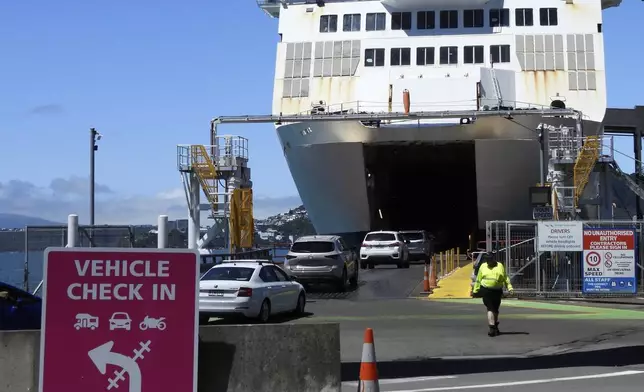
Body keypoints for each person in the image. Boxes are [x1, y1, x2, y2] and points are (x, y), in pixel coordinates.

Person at [472, 253, 513, 337]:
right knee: (490, 308)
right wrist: (475, 290)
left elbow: (505, 277)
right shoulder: (483, 266)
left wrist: (510, 288)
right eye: (487, 260)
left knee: (495, 309)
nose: (488, 262)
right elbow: (479, 279)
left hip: (497, 291)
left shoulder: (500, 266)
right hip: (486, 290)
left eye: (489, 259)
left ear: (493, 259)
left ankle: (495, 325)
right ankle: (491, 327)